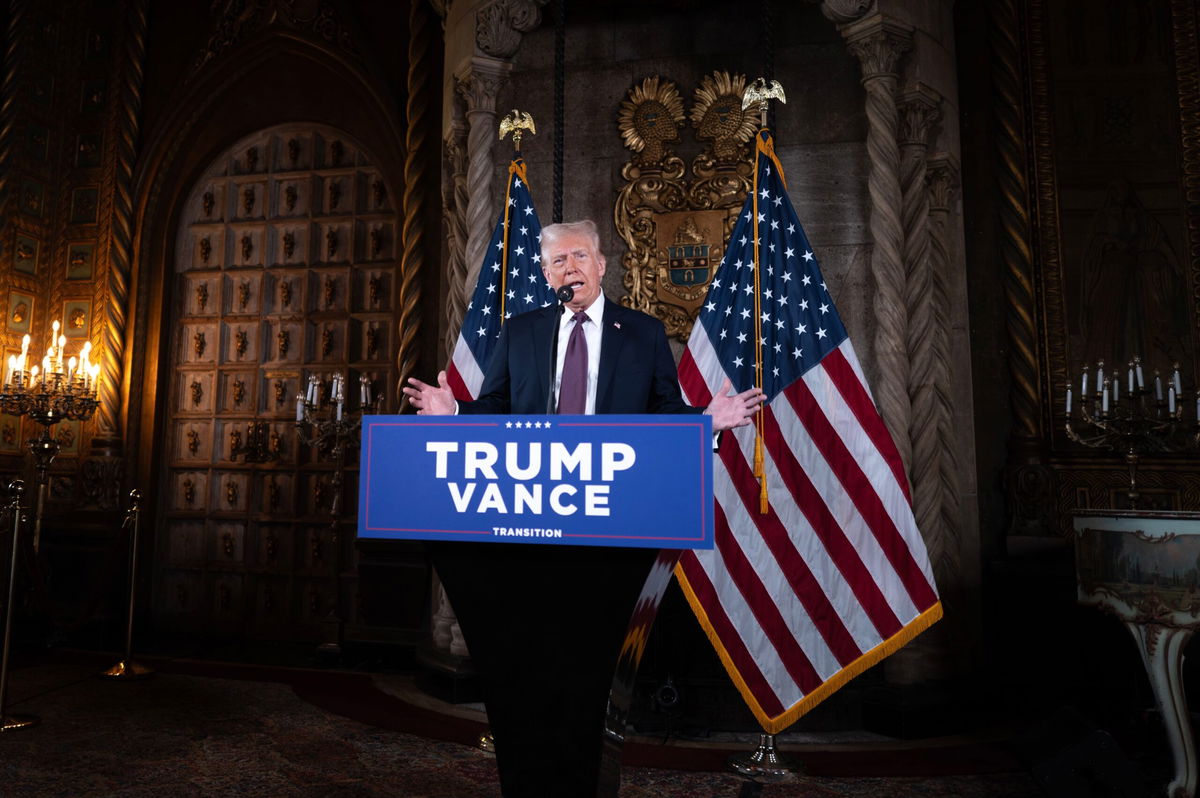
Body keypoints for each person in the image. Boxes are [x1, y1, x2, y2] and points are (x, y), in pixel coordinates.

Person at [403, 220, 763, 798]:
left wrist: (704, 423)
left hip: (611, 527)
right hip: (529, 524)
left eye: (578, 256)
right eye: (555, 261)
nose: (567, 268)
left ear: (601, 265)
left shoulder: (641, 333)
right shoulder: (521, 331)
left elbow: (661, 413)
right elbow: (494, 409)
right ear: (544, 274)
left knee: (588, 670)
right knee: (535, 661)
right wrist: (455, 413)